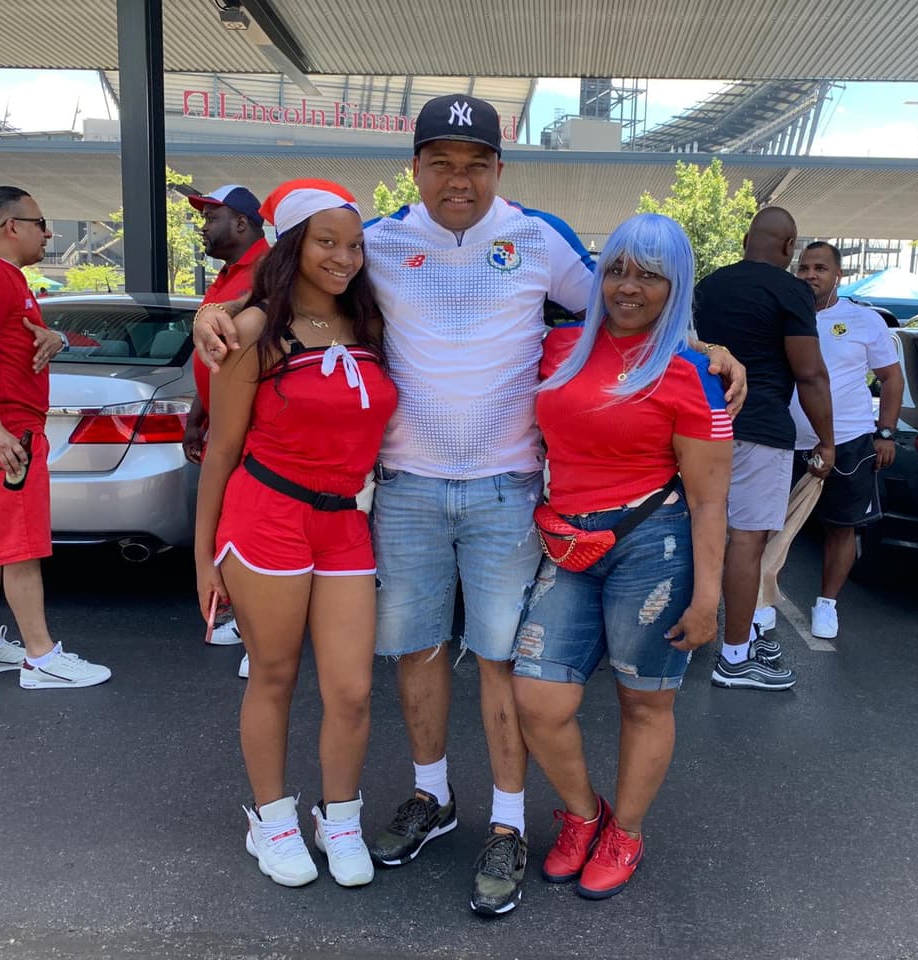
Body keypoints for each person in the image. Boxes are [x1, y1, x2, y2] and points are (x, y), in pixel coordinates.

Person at [192, 93, 746, 917]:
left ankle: (509, 824)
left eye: (477, 164)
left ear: (499, 168)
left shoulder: (539, 238)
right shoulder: (376, 242)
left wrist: (702, 344)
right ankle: (432, 796)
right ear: (414, 167)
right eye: (442, 163)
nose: (460, 179)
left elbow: (625, 304)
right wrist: (218, 310)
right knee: (416, 651)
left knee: (499, 660)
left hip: (506, 489)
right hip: (407, 487)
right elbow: (298, 278)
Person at [513, 213, 732, 901]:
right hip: (568, 540)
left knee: (644, 703)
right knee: (538, 698)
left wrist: (707, 599)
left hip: (653, 544)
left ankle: (626, 832)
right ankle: (584, 815)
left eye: (649, 275)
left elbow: (710, 502)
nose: (628, 287)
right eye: (616, 269)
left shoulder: (692, 373)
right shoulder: (558, 347)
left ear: (677, 286)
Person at [193, 179, 397, 890]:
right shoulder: (253, 333)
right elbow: (222, 451)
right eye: (326, 242)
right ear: (292, 247)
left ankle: (339, 819)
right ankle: (272, 819)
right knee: (273, 674)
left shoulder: (372, 325)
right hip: (267, 517)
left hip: (344, 522)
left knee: (353, 690)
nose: (344, 257)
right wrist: (203, 557)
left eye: (355, 245)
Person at [0, 186, 111, 689]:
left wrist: (55, 338)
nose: (48, 233)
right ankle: (41, 657)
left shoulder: (6, 276)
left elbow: (11, 341)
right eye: (41, 223)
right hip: (7, 434)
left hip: (5, 430)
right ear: (11, 226)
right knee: (21, 546)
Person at [694, 206, 833, 692]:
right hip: (760, 429)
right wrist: (827, 440)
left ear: (746, 239)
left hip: (700, 427)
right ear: (789, 246)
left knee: (697, 534)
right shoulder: (791, 291)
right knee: (746, 542)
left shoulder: (709, 286)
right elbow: (810, 374)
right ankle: (734, 658)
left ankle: (700, 634)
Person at [759, 241, 903, 639]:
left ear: (838, 275)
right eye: (804, 267)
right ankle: (763, 602)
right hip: (787, 441)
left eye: (820, 268)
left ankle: (827, 604)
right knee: (771, 527)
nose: (810, 275)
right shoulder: (783, 315)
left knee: (842, 527)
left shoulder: (864, 320)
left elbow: (891, 378)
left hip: (850, 441)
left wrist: (885, 432)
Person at [183, 185, 272, 662]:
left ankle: (260, 638)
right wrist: (197, 415)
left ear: (241, 222)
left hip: (255, 433)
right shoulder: (226, 276)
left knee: (251, 527)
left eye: (210, 217)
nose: (203, 226)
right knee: (228, 523)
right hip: (223, 426)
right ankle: (243, 619)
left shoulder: (269, 273)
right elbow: (214, 357)